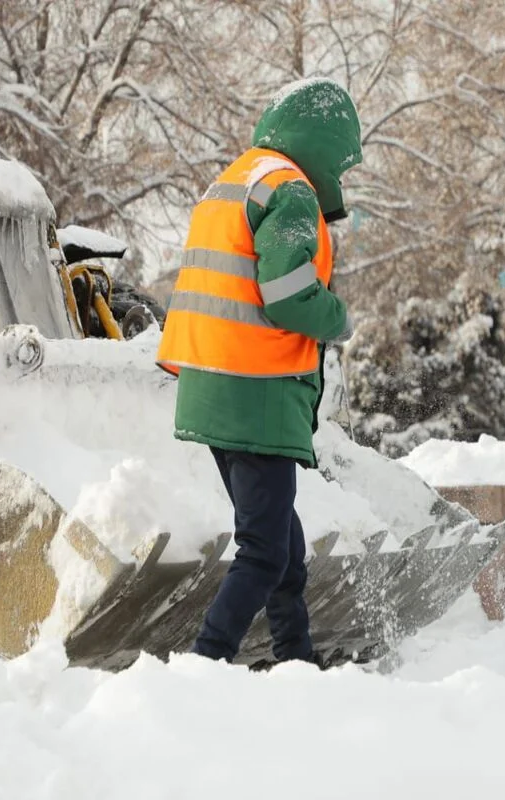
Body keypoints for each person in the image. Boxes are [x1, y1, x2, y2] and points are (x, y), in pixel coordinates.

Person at [155, 78, 360, 665]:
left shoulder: (238, 178)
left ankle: (296, 655)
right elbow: (288, 293)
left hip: (210, 384)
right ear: (322, 143)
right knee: (264, 552)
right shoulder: (289, 192)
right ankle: (205, 661)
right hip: (257, 391)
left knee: (282, 544)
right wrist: (337, 318)